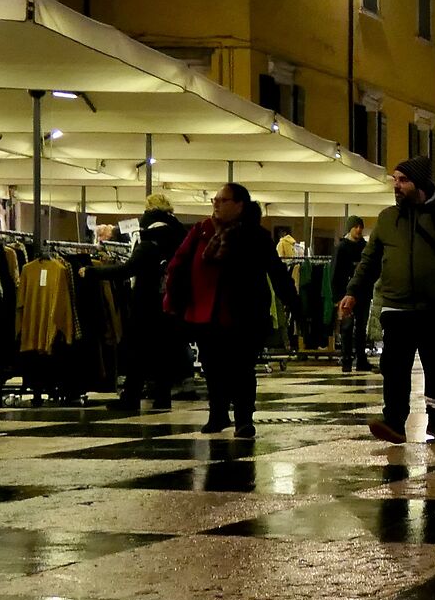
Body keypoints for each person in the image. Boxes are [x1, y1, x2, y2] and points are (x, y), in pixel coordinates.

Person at [338, 156, 435, 444]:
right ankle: (395, 422)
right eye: (395, 180)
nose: (396, 186)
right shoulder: (387, 219)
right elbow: (368, 262)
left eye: (403, 180)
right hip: (396, 308)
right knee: (394, 368)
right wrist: (352, 292)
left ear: (420, 184)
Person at [163, 183, 296, 437]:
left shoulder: (255, 236)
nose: (216, 204)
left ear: (239, 205)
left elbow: (277, 273)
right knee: (213, 366)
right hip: (206, 311)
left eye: (222, 200)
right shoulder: (201, 231)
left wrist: (294, 303)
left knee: (242, 367)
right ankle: (218, 414)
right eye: (215, 199)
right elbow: (178, 264)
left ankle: (244, 418)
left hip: (244, 312)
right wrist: (174, 301)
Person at [102, 192, 188, 413]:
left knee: (137, 349)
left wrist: (93, 272)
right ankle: (162, 396)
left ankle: (131, 396)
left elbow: (130, 268)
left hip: (147, 298)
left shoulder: (152, 236)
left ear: (150, 210)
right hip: (170, 298)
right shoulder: (178, 232)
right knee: (164, 349)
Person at [330, 216, 369, 372]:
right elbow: (334, 274)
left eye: (361, 227)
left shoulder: (365, 247)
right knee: (347, 327)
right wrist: (337, 297)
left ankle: (361, 359)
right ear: (350, 228)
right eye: (356, 227)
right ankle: (346, 359)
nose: (359, 230)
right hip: (345, 294)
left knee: (361, 328)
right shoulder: (341, 248)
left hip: (363, 293)